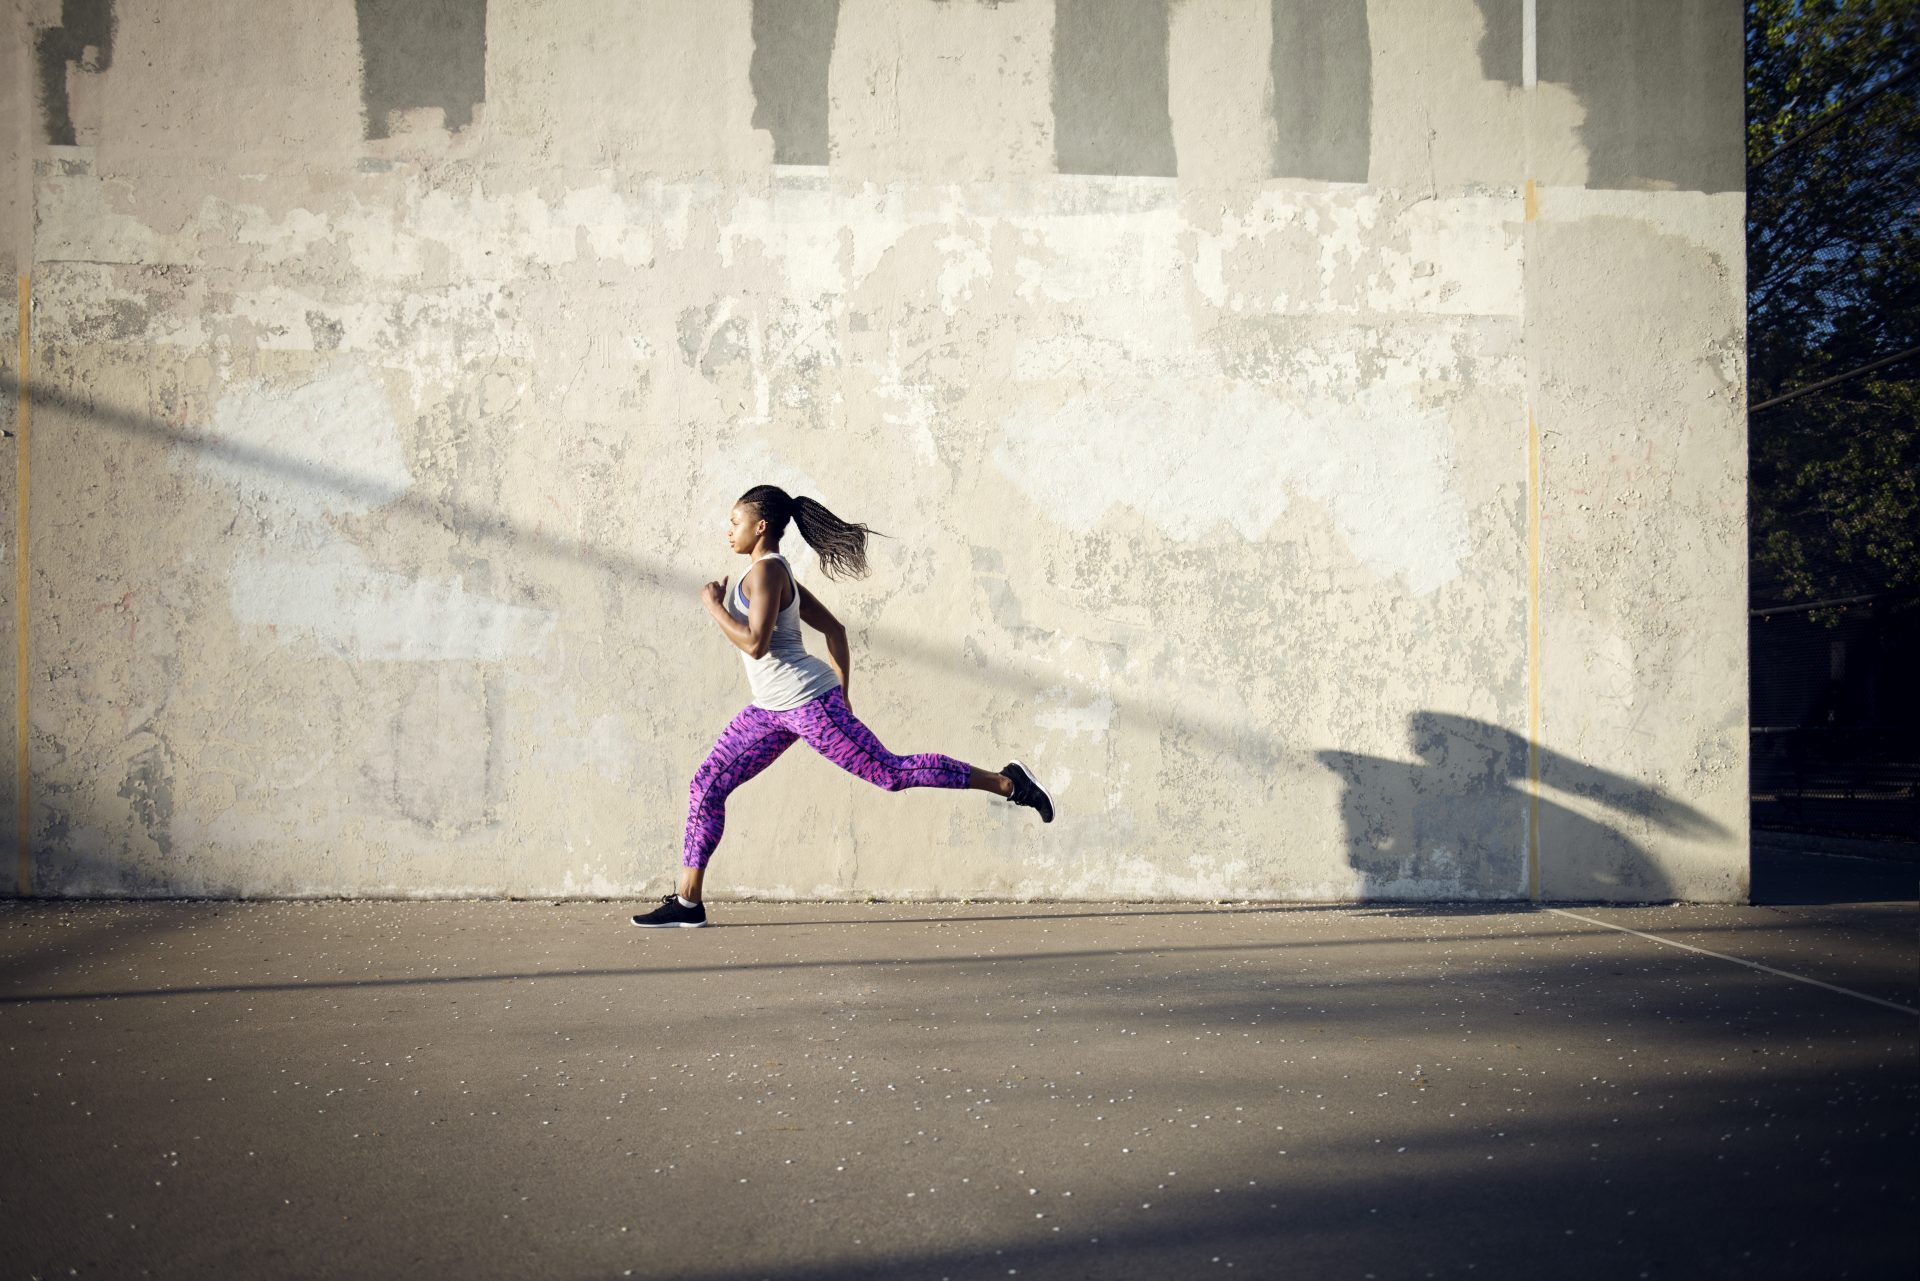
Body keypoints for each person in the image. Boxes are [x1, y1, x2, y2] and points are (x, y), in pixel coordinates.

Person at [631, 485, 1054, 928]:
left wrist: (714, 607)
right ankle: (688, 901)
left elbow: (755, 645)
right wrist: (845, 695)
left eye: (735, 522)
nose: (728, 530)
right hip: (771, 709)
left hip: (808, 703)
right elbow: (835, 630)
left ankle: (1009, 783)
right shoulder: (766, 573)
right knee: (707, 784)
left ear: (760, 527)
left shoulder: (768, 574)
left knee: (891, 774)